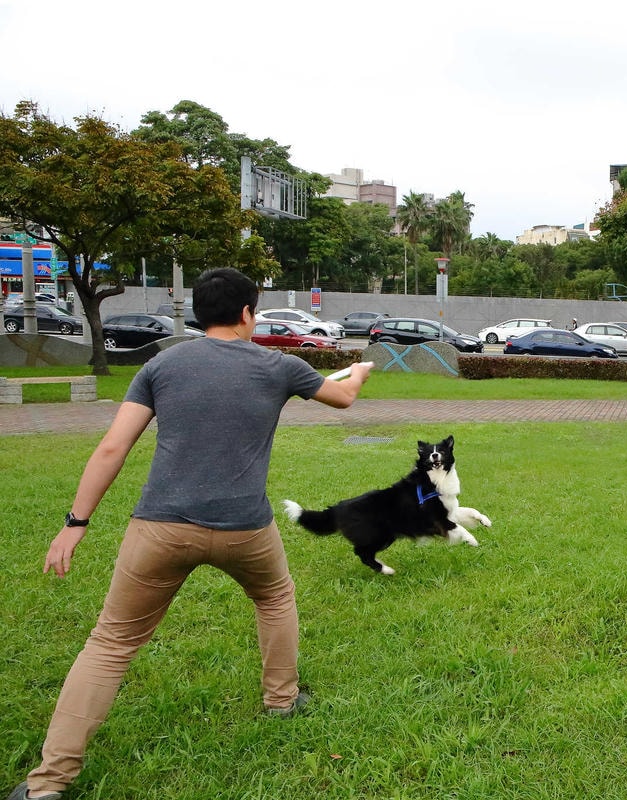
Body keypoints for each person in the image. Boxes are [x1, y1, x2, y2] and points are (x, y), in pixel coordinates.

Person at [9, 267, 372, 800]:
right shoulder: (279, 366)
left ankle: (45, 785)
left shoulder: (163, 364)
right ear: (248, 313)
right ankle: (281, 700)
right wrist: (359, 370)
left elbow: (113, 447)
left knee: (111, 642)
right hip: (245, 529)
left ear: (200, 313)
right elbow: (343, 399)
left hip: (158, 528)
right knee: (274, 596)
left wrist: (75, 524)